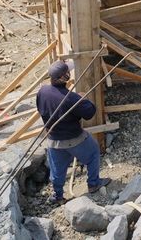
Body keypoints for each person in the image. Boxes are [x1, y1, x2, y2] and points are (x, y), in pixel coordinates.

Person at [36, 60, 111, 206]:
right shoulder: (71, 99)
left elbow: (41, 109)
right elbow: (90, 113)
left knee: (57, 171)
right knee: (93, 153)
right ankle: (93, 183)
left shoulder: (42, 91)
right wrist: (83, 99)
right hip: (74, 138)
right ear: (66, 77)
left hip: (53, 140)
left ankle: (57, 196)